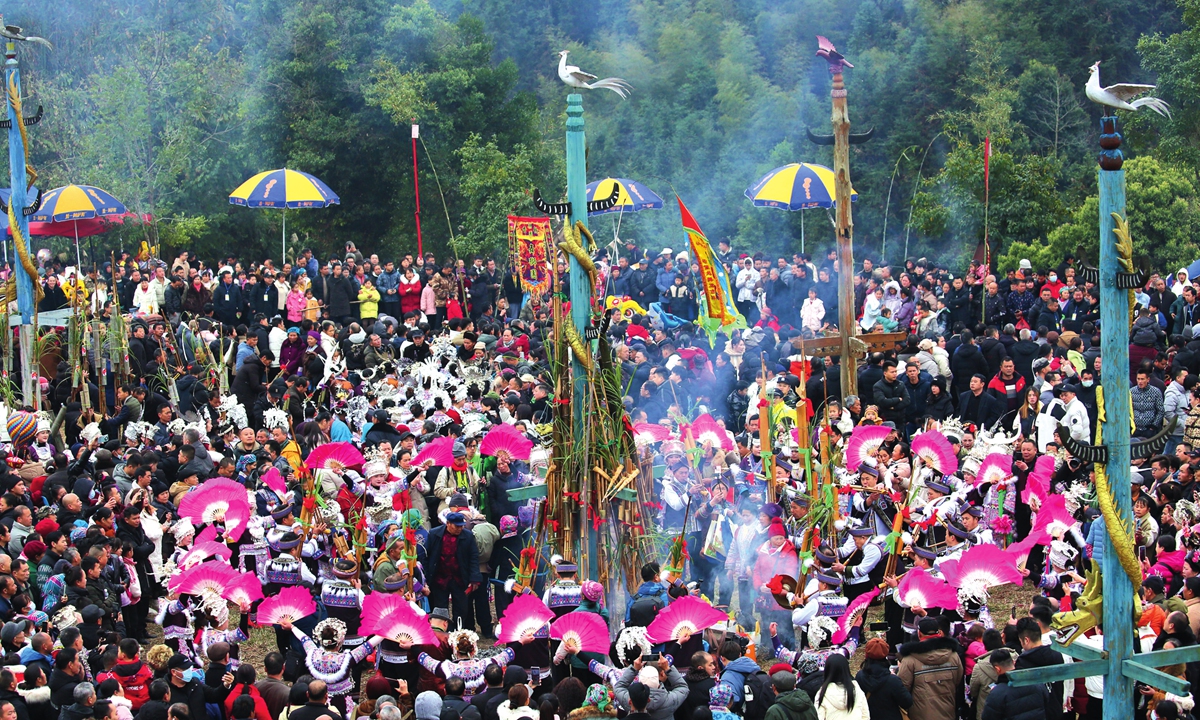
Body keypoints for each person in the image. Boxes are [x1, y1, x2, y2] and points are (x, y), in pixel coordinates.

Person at [896, 618, 963, 720]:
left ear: (919, 633)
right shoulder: (953, 656)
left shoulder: (910, 660)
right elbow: (957, 680)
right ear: (939, 633)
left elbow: (902, 689)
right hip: (948, 713)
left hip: (919, 715)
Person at [980, 649, 1051, 720]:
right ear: (1013, 662)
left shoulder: (996, 694)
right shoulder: (1036, 682)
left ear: (997, 669)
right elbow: (1047, 704)